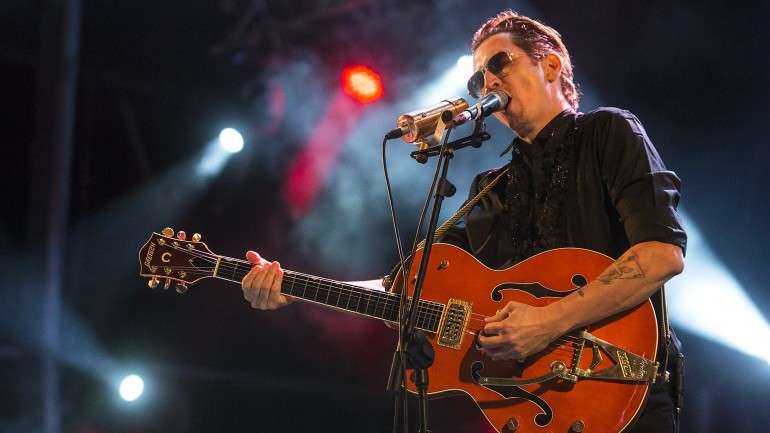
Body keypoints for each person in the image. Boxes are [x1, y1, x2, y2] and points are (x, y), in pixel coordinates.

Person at [242, 9, 686, 433]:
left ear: (550, 65)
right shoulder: (494, 187)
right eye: (479, 78)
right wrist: (295, 289)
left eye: (500, 64)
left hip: (623, 387)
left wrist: (548, 322)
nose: (488, 82)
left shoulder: (608, 132)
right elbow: (404, 287)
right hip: (540, 406)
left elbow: (660, 255)